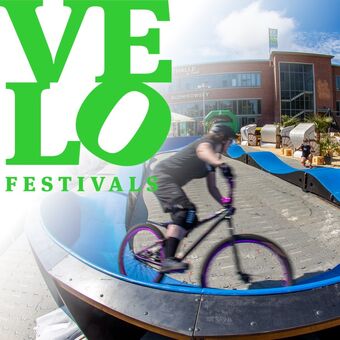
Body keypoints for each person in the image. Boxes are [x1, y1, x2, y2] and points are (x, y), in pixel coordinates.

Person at [151, 123, 235, 273]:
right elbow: (203, 150)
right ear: (223, 139)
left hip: (169, 181)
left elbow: (212, 187)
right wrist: (220, 163)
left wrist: (225, 203)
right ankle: (168, 261)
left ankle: (162, 249)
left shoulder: (212, 161)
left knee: (191, 220)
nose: (230, 146)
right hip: (160, 178)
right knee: (185, 210)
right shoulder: (206, 144)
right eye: (230, 142)